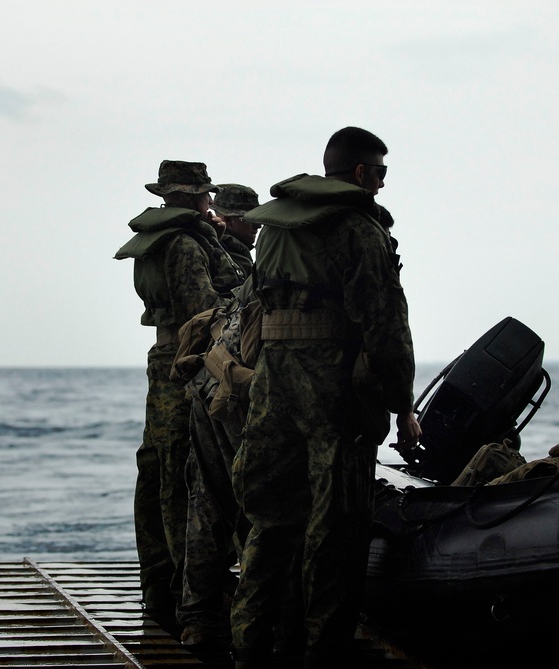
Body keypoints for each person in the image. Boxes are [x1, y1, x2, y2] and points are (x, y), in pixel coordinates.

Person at [229, 127, 420, 668]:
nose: (382, 183)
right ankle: (322, 653)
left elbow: (258, 304)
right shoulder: (360, 229)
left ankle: (250, 645)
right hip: (334, 391)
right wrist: (402, 404)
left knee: (269, 520)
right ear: (360, 173)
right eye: (380, 172)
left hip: (272, 385)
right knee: (335, 528)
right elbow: (385, 324)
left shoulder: (274, 230)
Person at [114, 160, 242, 619]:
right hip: (185, 367)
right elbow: (203, 312)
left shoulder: (165, 239)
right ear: (192, 197)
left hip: (164, 360)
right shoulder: (185, 245)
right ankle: (184, 595)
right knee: (179, 476)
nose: (210, 201)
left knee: (156, 470)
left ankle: (160, 586)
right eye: (205, 194)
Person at [175, 183, 259, 647]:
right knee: (254, 503)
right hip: (231, 391)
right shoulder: (240, 262)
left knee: (206, 503)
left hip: (209, 378)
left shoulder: (224, 254)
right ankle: (254, 625)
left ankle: (198, 618)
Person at [212, 183, 261, 277]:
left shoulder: (236, 252)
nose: (258, 226)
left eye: (258, 219)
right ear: (228, 220)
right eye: (251, 220)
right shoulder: (216, 254)